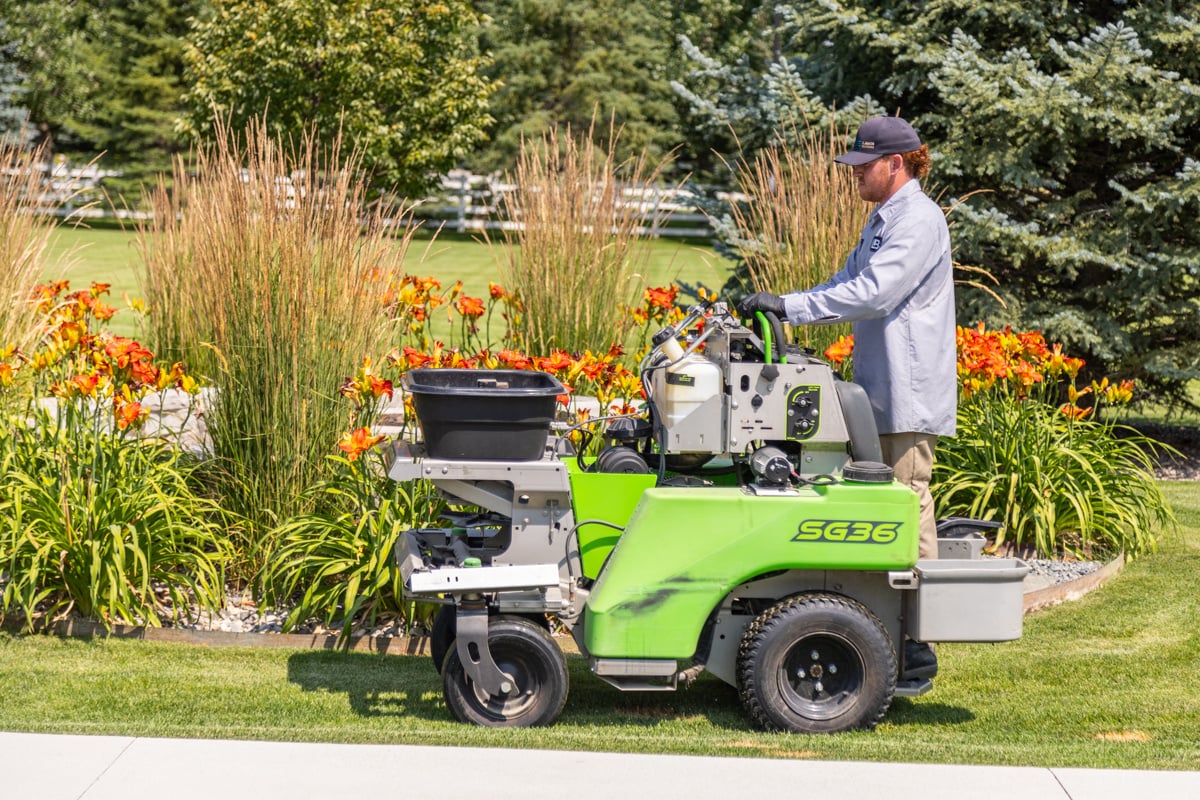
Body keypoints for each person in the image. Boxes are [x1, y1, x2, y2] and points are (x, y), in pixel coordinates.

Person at [738, 116, 955, 679]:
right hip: (879, 388)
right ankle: (885, 631)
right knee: (881, 507)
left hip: (905, 393)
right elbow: (844, 282)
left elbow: (875, 293)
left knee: (907, 503)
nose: (853, 174)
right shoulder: (882, 220)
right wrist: (784, 302)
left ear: (897, 164)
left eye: (863, 164)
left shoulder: (919, 220)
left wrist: (790, 308)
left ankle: (917, 642)